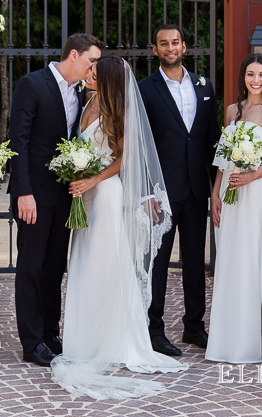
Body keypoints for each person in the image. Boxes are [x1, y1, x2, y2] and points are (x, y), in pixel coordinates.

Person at [51, 57, 187, 399]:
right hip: (86, 195)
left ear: (108, 79)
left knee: (107, 265)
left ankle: (114, 338)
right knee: (85, 266)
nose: (88, 73)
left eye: (95, 72)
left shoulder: (118, 111)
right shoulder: (86, 102)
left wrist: (92, 178)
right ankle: (85, 338)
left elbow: (126, 158)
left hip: (107, 196)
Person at [9, 33, 103, 367]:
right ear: (74, 55)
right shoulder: (32, 84)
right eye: (91, 61)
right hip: (33, 195)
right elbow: (17, 141)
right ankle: (31, 342)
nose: (94, 68)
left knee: (54, 269)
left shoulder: (80, 93)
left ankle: (51, 333)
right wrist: (23, 192)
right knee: (31, 268)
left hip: (63, 195)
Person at [138, 24, 219, 356]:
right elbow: (140, 144)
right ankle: (153, 329)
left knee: (194, 263)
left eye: (175, 42)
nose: (170, 47)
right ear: (155, 49)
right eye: (163, 44)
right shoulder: (145, 89)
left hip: (197, 188)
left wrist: (216, 186)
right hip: (161, 192)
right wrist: (146, 192)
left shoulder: (204, 85)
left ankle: (194, 326)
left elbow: (212, 137)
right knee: (156, 261)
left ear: (184, 46)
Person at [206, 54, 262, 367]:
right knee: (230, 260)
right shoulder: (232, 111)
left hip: (255, 193)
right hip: (229, 192)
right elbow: (224, 158)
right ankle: (228, 337)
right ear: (243, 76)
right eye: (250, 73)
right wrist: (216, 192)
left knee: (253, 260)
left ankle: (252, 338)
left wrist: (251, 176)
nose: (256, 80)